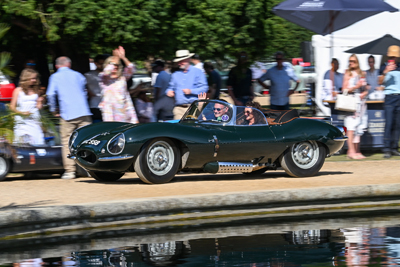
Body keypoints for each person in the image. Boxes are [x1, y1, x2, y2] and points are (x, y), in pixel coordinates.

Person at [47, 56, 92, 180]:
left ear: (56, 66)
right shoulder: (79, 75)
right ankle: (89, 168)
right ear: (69, 65)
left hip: (67, 114)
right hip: (84, 112)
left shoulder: (55, 77)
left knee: (67, 141)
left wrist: (53, 109)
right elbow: (85, 91)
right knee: (87, 141)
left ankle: (70, 171)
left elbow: (50, 94)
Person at [98, 46, 138, 123]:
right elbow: (107, 72)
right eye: (113, 65)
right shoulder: (103, 78)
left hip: (124, 113)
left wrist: (123, 57)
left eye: (117, 65)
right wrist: (116, 58)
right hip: (110, 114)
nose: (115, 66)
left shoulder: (122, 78)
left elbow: (132, 68)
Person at [166, 50, 208, 120]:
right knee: (178, 130)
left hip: (194, 108)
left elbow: (204, 88)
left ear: (188, 59)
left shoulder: (198, 72)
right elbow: (170, 87)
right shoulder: (175, 75)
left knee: (193, 129)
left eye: (181, 61)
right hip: (179, 109)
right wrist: (169, 91)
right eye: (178, 61)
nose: (179, 63)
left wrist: (191, 91)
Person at [342, 54, 368, 160]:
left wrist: (364, 92)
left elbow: (366, 88)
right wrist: (355, 87)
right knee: (351, 128)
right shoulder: (347, 73)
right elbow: (344, 90)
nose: (351, 63)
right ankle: (350, 151)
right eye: (349, 61)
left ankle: (357, 150)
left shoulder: (362, 73)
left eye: (352, 61)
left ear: (357, 62)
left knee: (359, 127)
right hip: (351, 103)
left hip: (360, 103)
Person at [10, 69, 44, 145]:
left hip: (34, 118)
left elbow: (38, 107)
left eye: (35, 78)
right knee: (23, 140)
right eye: (32, 78)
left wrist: (40, 102)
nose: (34, 80)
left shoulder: (36, 90)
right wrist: (21, 113)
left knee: (37, 140)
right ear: (26, 78)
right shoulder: (18, 90)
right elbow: (12, 106)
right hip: (22, 120)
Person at [378, 45, 400, 159]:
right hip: (389, 97)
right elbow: (379, 81)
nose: (393, 59)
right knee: (389, 124)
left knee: (397, 125)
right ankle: (386, 149)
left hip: (399, 97)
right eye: (392, 56)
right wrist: (386, 71)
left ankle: (394, 148)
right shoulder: (383, 67)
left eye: (395, 56)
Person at [85, 54, 106, 123]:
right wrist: (88, 92)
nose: (102, 65)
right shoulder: (88, 75)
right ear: (95, 63)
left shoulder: (109, 75)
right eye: (101, 63)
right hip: (95, 104)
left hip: (108, 104)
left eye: (104, 64)